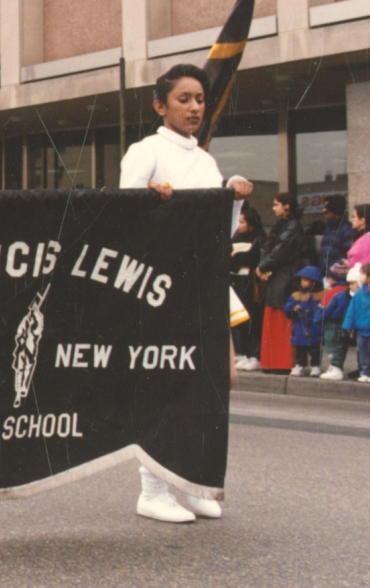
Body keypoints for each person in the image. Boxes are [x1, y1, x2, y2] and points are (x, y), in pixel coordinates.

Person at [118, 63, 254, 524]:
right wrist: (149, 203)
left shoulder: (205, 159)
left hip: (204, 280)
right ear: (161, 105)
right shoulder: (145, 151)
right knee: (163, 381)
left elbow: (221, 229)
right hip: (158, 285)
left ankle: (190, 480)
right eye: (184, 99)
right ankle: (152, 489)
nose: (195, 107)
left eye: (200, 99)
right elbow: (123, 222)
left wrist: (233, 198)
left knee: (217, 379)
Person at [256, 193, 311, 373]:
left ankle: (280, 362)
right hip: (281, 275)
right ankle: (275, 361)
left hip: (286, 277)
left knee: (281, 316)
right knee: (276, 315)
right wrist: (265, 267)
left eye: (276, 204)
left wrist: (263, 267)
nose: (273, 208)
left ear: (286, 206)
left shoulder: (292, 227)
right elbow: (271, 249)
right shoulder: (286, 226)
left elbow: (280, 251)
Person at [231, 206, 264, 371]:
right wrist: (237, 258)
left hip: (251, 283)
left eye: (242, 222)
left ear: (251, 224)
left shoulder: (258, 238)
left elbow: (252, 257)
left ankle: (254, 355)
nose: (239, 225)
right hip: (237, 281)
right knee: (240, 320)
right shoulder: (236, 236)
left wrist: (237, 256)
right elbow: (229, 257)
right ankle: (243, 353)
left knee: (252, 319)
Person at [284, 266, 325, 376]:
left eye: (306, 280)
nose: (303, 282)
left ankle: (315, 366)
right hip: (299, 327)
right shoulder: (296, 295)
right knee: (299, 348)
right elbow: (287, 311)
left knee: (315, 348)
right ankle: (299, 365)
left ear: (314, 282)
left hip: (314, 326)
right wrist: (293, 308)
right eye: (302, 279)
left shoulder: (321, 295)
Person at [319, 260, 353, 380]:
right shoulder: (348, 291)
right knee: (341, 346)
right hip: (343, 323)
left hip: (332, 323)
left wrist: (318, 319)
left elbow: (325, 309)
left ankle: (336, 367)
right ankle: (336, 366)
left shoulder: (332, 292)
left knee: (333, 345)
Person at [318, 195, 355, 273]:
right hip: (324, 273)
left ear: (335, 209)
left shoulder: (347, 228)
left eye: (327, 208)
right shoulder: (329, 227)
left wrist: (335, 272)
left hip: (337, 275)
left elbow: (347, 255)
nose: (324, 210)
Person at [345, 203, 370, 268]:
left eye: (354, 216)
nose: (351, 220)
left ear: (362, 220)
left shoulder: (367, 240)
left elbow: (357, 265)